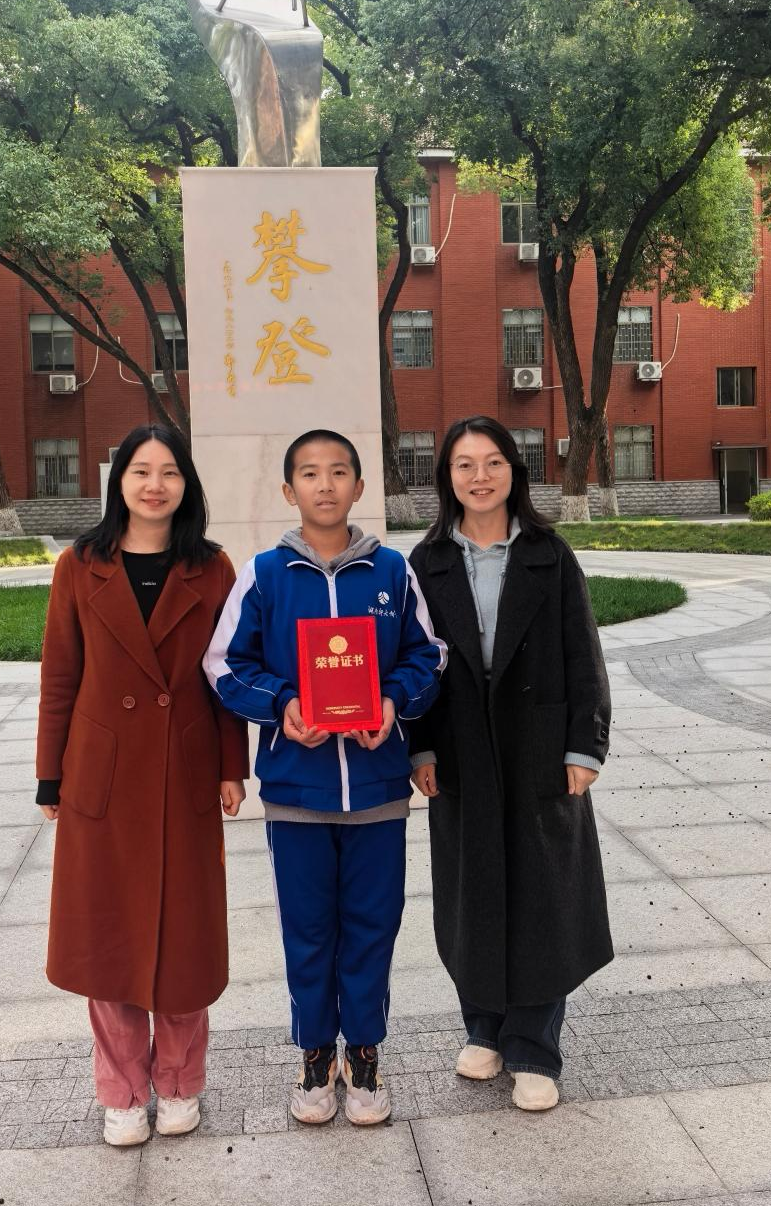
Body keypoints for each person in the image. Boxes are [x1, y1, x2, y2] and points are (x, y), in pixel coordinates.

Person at [206, 428, 446, 1127]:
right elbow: (224, 664)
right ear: (289, 491)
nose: (325, 484)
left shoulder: (391, 572)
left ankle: (363, 1054)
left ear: (359, 487)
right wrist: (282, 705)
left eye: (339, 471)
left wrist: (392, 702)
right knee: (308, 931)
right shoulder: (265, 575)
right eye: (309, 473)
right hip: (297, 793)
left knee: (372, 927)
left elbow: (428, 655)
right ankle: (315, 1054)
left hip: (376, 789)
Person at [36, 424, 249, 1147]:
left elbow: (226, 677)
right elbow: (60, 676)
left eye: (169, 473)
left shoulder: (212, 569)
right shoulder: (80, 565)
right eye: (140, 471)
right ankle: (122, 1091)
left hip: (183, 768)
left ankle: (180, 1080)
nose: (154, 485)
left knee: (185, 938)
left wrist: (231, 765)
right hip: (102, 776)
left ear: (186, 485)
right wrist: (50, 775)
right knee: (109, 941)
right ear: (119, 481)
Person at [408, 415, 613, 1112]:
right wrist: (420, 746)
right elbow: (414, 663)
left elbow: (583, 654)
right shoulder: (427, 562)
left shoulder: (548, 555)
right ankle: (483, 1027)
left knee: (543, 893)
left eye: (493, 462)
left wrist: (584, 746)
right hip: (460, 749)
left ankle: (533, 1046)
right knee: (472, 890)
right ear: (447, 477)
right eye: (464, 464)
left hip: (538, 749)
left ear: (513, 471)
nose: (480, 477)